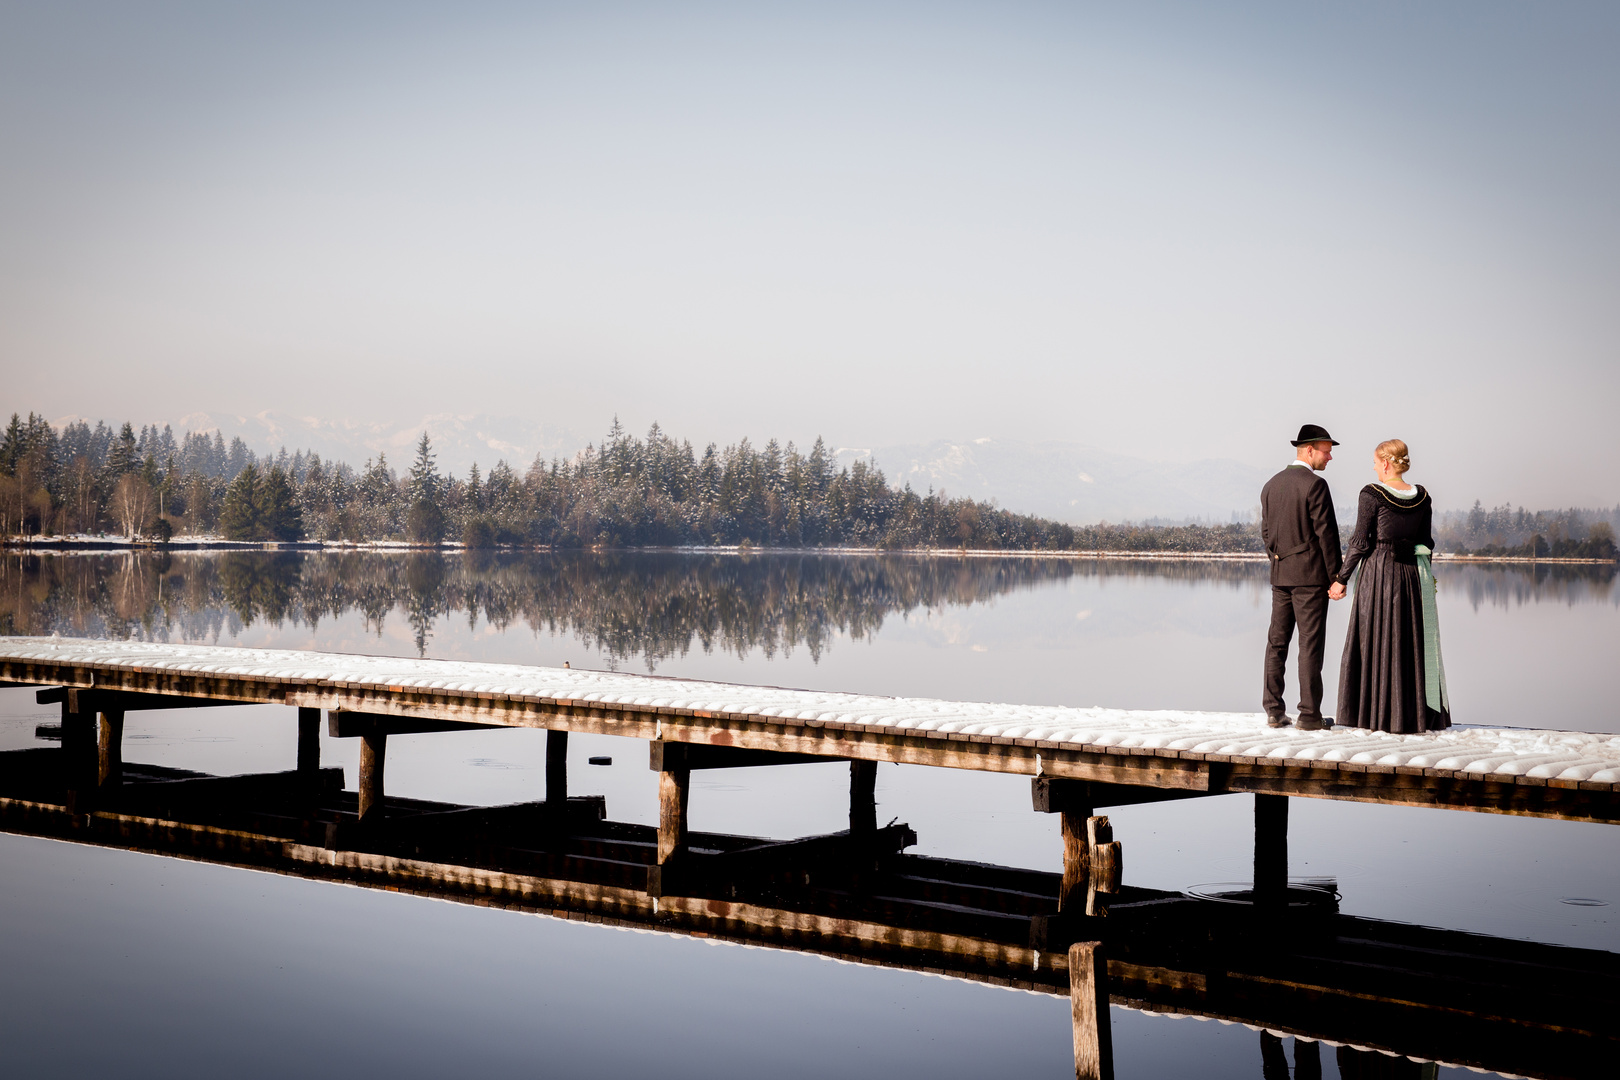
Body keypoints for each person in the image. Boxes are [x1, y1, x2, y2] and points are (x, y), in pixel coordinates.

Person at [1334, 438, 1451, 732]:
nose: (1373, 467)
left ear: (1385, 463)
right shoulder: (1422, 496)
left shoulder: (1371, 494)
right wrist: (1425, 579)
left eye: (1375, 462)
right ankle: (1409, 716)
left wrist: (1341, 578)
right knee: (1407, 642)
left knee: (1375, 640)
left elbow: (1360, 542)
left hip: (1379, 576)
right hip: (1411, 577)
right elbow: (1426, 543)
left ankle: (1374, 716)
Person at [1260, 424, 1344, 730]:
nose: (1330, 456)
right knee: (1310, 645)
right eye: (1327, 450)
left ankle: (1273, 710)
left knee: (1276, 643)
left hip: (1280, 575)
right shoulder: (1315, 485)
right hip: (1310, 579)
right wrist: (1337, 576)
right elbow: (1327, 536)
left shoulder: (1270, 484)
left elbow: (1266, 534)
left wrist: (1279, 560)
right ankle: (1309, 716)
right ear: (1309, 450)